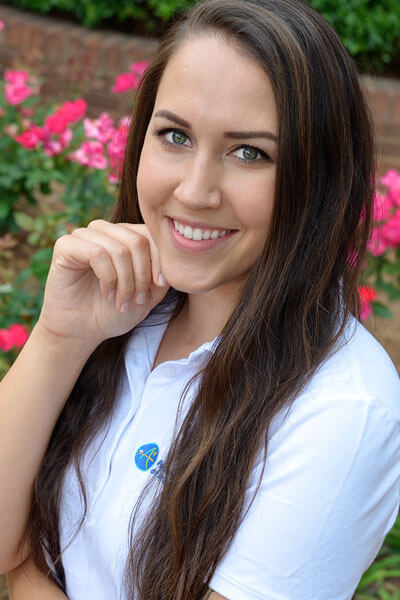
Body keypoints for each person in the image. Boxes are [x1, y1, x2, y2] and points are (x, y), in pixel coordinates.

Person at [1, 0, 400, 598]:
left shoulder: (343, 408)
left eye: (249, 153)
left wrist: (25, 566)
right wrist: (60, 337)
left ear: (319, 179)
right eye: (175, 136)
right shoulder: (121, 311)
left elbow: (16, 552)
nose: (194, 191)